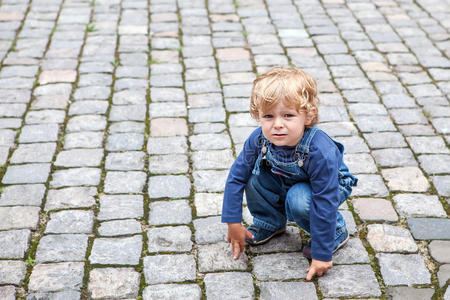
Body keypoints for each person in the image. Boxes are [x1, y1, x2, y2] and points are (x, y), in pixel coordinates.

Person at [221, 67, 358, 280]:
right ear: (259, 116)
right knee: (253, 175)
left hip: (327, 187)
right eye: (268, 116)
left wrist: (322, 253)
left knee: (299, 198)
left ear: (308, 115)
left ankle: (336, 231)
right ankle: (270, 222)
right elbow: (236, 177)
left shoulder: (319, 149)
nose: (277, 124)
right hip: (286, 178)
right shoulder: (259, 139)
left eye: (288, 115)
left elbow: (325, 198)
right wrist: (233, 223)